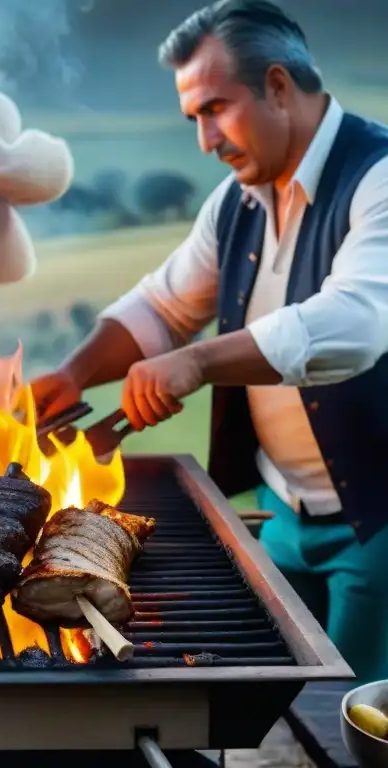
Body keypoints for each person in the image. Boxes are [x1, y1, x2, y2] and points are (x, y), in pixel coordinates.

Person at [30, 0, 388, 684]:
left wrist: (197, 361)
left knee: (359, 720)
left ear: (278, 86)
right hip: (283, 517)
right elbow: (164, 307)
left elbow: (356, 324)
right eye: (194, 116)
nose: (204, 138)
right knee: (286, 709)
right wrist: (75, 374)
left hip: (380, 527)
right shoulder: (237, 201)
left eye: (216, 108)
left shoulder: (380, 178)